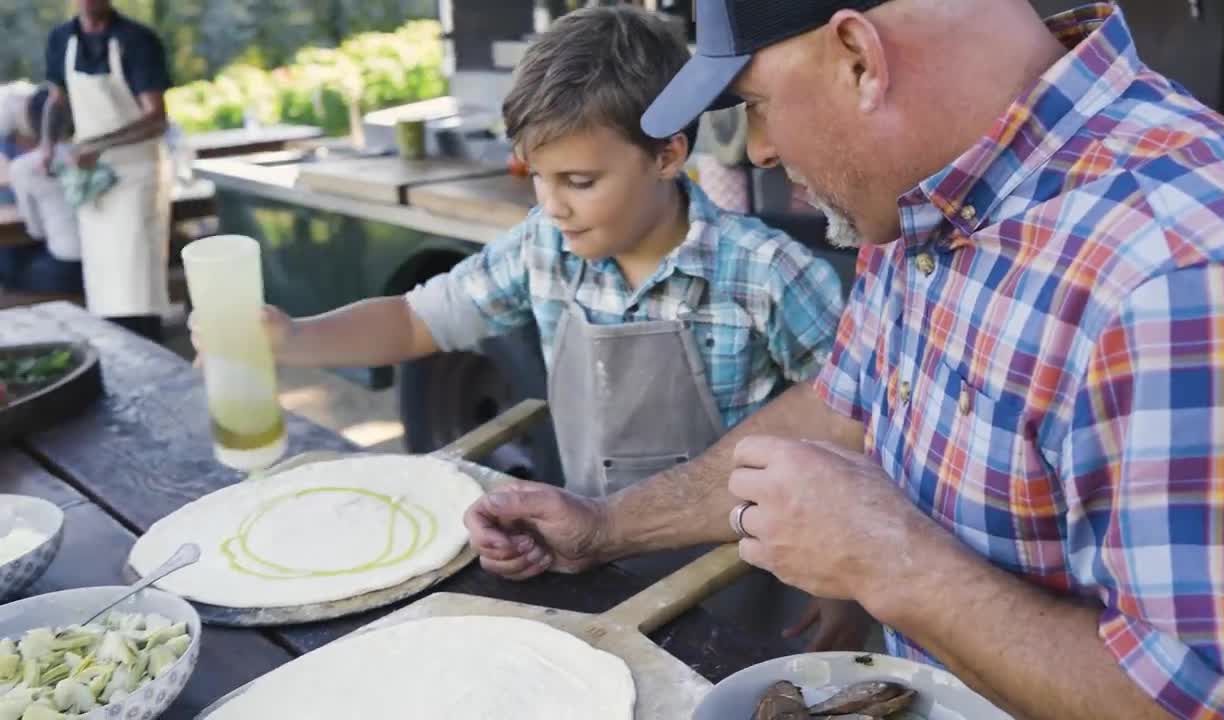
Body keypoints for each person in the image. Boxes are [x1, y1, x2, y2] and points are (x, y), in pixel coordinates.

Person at [464, 0, 1224, 717]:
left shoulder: (1186, 270)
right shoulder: (921, 200)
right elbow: (842, 413)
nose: (758, 151)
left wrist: (891, 562)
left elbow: (1218, 702)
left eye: (753, 105)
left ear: (859, 58)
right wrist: (604, 527)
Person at [191, 6, 845, 644]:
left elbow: (856, 436)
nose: (553, 205)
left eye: (580, 180)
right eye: (538, 177)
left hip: (743, 581)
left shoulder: (767, 273)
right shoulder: (544, 248)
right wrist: (293, 339)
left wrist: (842, 584)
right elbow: (417, 320)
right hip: (597, 561)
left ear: (668, 154)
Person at [40, 0, 172, 342]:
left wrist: (98, 145)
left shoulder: (136, 40)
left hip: (135, 175)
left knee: (136, 282)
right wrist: (47, 145)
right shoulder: (61, 40)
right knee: (103, 282)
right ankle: (119, 357)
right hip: (92, 181)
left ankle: (150, 357)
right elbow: (57, 99)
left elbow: (156, 118)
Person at [0, 84, 83, 296]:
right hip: (109, 259)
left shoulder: (26, 166)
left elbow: (35, 231)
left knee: (8, 264)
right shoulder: (95, 153)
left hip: (69, 270)